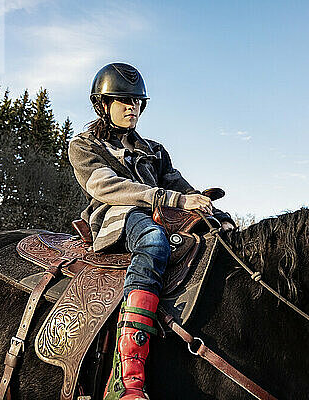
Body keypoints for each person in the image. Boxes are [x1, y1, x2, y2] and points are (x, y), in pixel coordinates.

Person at [68, 62, 235, 400]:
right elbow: (106, 186)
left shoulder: (154, 150)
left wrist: (211, 211)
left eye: (138, 103)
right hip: (117, 216)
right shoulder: (84, 146)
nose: (133, 108)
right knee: (155, 242)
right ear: (102, 105)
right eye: (124, 101)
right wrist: (167, 197)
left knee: (213, 235)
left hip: (160, 213)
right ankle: (128, 379)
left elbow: (181, 189)